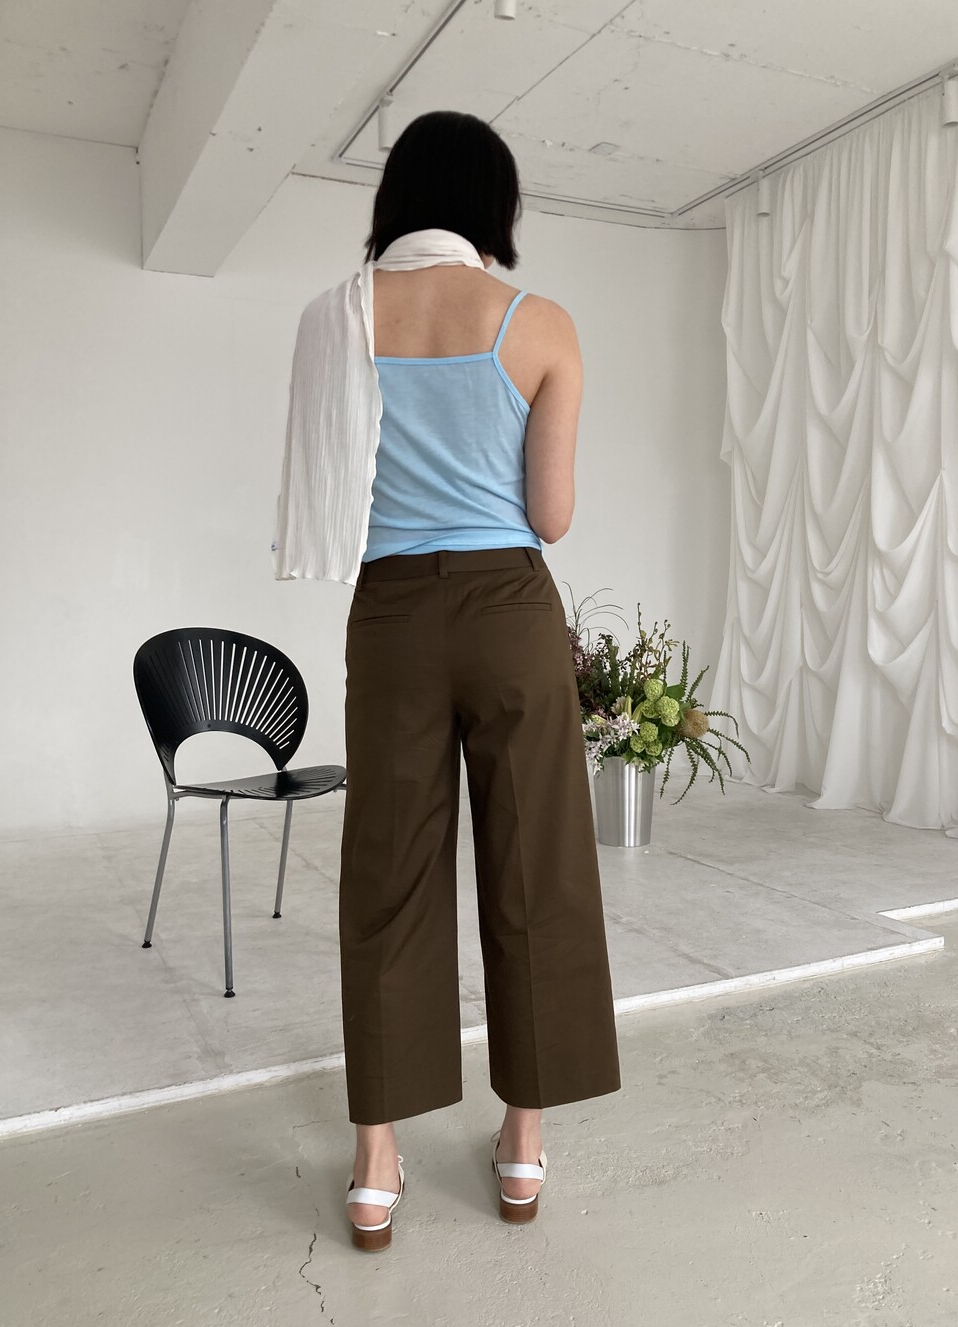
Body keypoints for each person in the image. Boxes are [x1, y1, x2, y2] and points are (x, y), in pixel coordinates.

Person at [277, 109, 620, 1251]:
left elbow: (331, 486)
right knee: (537, 867)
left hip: (389, 619)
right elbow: (550, 517)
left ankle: (376, 1164)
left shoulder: (336, 316)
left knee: (388, 872)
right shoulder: (540, 323)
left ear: (399, 196)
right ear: (493, 206)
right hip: (510, 612)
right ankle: (521, 1144)